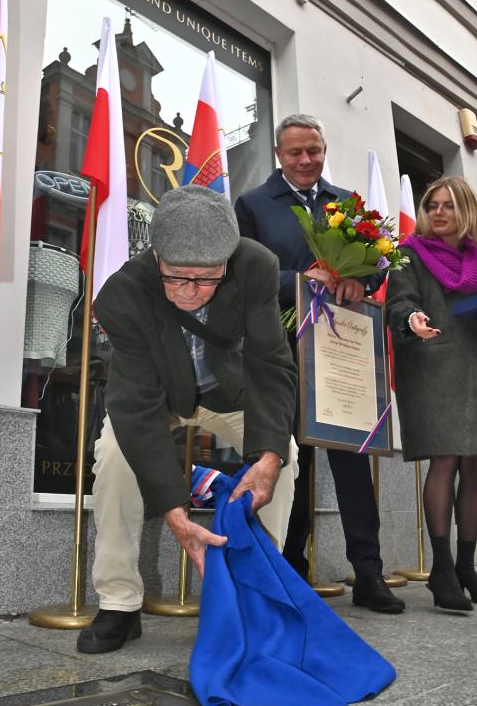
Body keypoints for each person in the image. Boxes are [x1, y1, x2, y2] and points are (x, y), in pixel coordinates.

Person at [77, 185, 298, 654]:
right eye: (177, 276)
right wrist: (177, 516)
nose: (191, 291)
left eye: (207, 277)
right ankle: (119, 602)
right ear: (156, 256)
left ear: (228, 261)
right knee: (114, 457)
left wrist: (268, 457)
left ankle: (261, 597)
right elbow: (137, 409)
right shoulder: (123, 294)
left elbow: (270, 364)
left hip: (229, 391)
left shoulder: (256, 266)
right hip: (159, 397)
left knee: (283, 456)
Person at [235, 113, 404, 614]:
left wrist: (360, 280)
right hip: (283, 352)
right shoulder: (253, 204)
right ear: (279, 155)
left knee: (352, 464)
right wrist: (298, 279)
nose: (306, 160)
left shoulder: (346, 204)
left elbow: (379, 263)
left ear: (323, 150)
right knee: (292, 461)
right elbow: (243, 274)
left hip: (341, 350)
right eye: (296, 152)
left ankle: (369, 573)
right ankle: (290, 567)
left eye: (314, 150)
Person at [386, 177, 477, 611]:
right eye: (432, 205)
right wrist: (412, 319)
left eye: (448, 205)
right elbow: (397, 305)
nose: (438, 212)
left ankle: (466, 568)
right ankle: (442, 570)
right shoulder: (409, 253)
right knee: (445, 460)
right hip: (433, 369)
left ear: (466, 210)